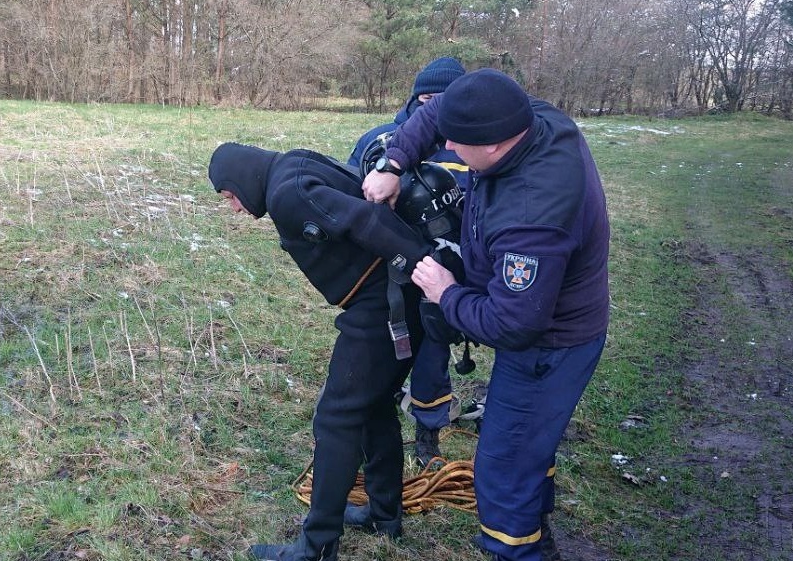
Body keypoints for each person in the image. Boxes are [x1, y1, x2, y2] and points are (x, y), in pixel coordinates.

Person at [361, 68, 610, 561]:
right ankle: (536, 524)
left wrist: (447, 292)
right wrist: (394, 162)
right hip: (535, 315)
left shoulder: (533, 213)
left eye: (458, 142)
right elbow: (440, 113)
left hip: (550, 341)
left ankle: (518, 548)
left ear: (494, 145)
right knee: (525, 446)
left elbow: (512, 324)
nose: (448, 145)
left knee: (504, 465)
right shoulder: (524, 115)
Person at [209, 142, 440, 561]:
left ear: (242, 179)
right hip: (396, 298)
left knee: (336, 417)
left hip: (383, 303)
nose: (235, 208)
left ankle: (316, 547)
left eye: (230, 196)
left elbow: (367, 219)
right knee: (372, 405)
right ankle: (384, 515)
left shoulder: (287, 194)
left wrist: (426, 267)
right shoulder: (292, 164)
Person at [349, 56, 471, 468]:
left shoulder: (469, 144)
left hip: (445, 269)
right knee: (379, 353)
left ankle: (427, 434)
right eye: (429, 100)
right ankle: (367, 429)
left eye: (446, 100)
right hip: (389, 273)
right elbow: (351, 197)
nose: (435, 108)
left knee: (434, 353)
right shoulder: (379, 141)